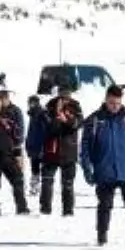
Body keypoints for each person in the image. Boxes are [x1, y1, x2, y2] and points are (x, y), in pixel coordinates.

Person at [80, 85, 125, 246]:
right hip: (104, 172)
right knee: (105, 206)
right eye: (112, 103)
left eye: (118, 103)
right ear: (106, 99)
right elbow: (84, 148)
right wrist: (87, 169)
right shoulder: (94, 120)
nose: (115, 106)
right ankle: (102, 236)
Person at [40, 86, 83, 216]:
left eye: (67, 96)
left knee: (68, 184)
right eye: (63, 96)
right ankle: (45, 210)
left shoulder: (76, 107)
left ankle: (68, 211)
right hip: (51, 151)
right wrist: (56, 115)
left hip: (69, 151)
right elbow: (47, 127)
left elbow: (78, 124)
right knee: (47, 181)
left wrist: (67, 120)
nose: (65, 99)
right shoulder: (49, 107)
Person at [24, 95, 45, 195]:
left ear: (37, 103)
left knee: (42, 168)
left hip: (40, 146)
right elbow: (30, 132)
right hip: (33, 146)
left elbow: (44, 131)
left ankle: (42, 187)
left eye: (32, 103)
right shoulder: (33, 115)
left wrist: (43, 147)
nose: (30, 105)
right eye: (30, 103)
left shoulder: (41, 114)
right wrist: (28, 144)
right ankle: (34, 186)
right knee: (34, 168)